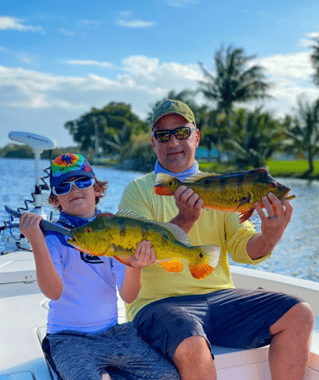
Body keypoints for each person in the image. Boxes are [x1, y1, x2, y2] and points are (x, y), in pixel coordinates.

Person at [118, 100, 314, 380]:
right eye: (163, 135)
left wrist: (271, 235)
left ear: (196, 137)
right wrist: (184, 219)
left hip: (219, 298)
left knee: (300, 313)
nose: (173, 141)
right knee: (192, 340)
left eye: (182, 133)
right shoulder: (137, 191)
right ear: (153, 143)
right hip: (157, 304)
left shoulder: (220, 186)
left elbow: (244, 248)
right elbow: (135, 252)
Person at [19, 153, 180, 380]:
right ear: (55, 200)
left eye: (82, 182)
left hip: (115, 333)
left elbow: (128, 295)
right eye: (63, 187)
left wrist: (135, 266)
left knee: (167, 376)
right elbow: (53, 292)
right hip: (68, 338)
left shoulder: (115, 230)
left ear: (96, 189)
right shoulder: (54, 239)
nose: (74, 189)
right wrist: (37, 241)